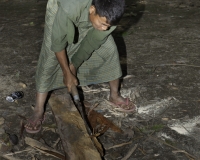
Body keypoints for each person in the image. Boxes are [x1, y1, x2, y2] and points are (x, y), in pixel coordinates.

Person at [25, 0, 136, 133]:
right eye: (103, 24)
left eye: (108, 26)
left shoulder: (110, 14)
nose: (105, 28)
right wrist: (66, 72)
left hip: (88, 14)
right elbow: (57, 42)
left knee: (109, 50)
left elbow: (94, 40)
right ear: (92, 9)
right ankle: (38, 109)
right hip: (62, 10)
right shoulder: (69, 7)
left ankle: (114, 95)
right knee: (50, 58)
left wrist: (74, 66)